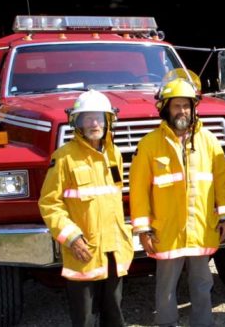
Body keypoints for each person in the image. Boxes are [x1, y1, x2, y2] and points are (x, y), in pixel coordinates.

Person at [129, 78, 225, 327]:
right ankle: (166, 323)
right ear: (165, 109)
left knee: (202, 283)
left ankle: (203, 323)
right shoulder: (149, 144)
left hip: (200, 228)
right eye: (177, 106)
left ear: (194, 108)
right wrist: (142, 229)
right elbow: (139, 191)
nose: (182, 111)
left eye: (186, 106)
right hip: (167, 231)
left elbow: (223, 182)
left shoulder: (208, 141)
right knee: (166, 286)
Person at [39, 89, 133, 327]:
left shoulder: (114, 155)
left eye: (99, 117)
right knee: (85, 319)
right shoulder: (63, 158)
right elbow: (49, 203)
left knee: (114, 314)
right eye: (87, 118)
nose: (94, 123)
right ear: (77, 123)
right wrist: (71, 238)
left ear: (108, 120)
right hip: (84, 251)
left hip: (113, 252)